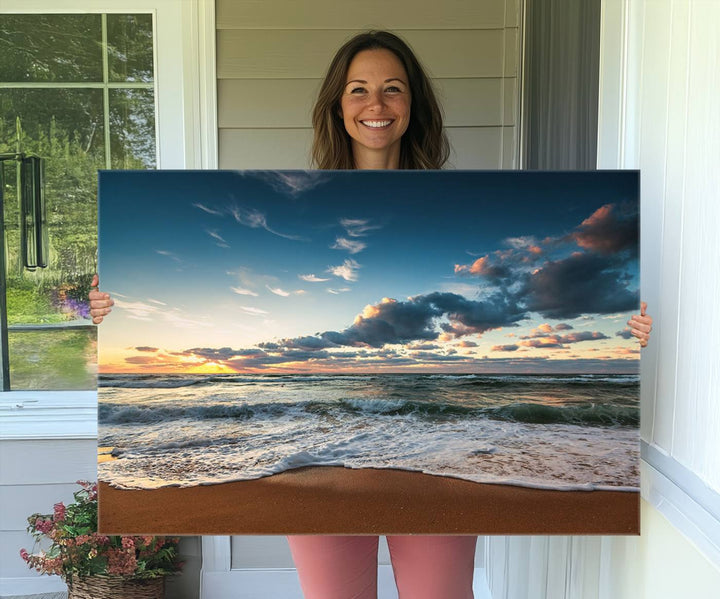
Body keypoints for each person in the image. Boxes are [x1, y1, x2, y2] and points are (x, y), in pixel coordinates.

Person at [90, 30, 653, 599]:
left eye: (393, 89)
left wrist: (632, 330)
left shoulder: (456, 204)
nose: (376, 105)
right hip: (312, 441)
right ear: (338, 105)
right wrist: (109, 310)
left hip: (440, 451)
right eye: (358, 90)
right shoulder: (294, 207)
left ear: (413, 105)